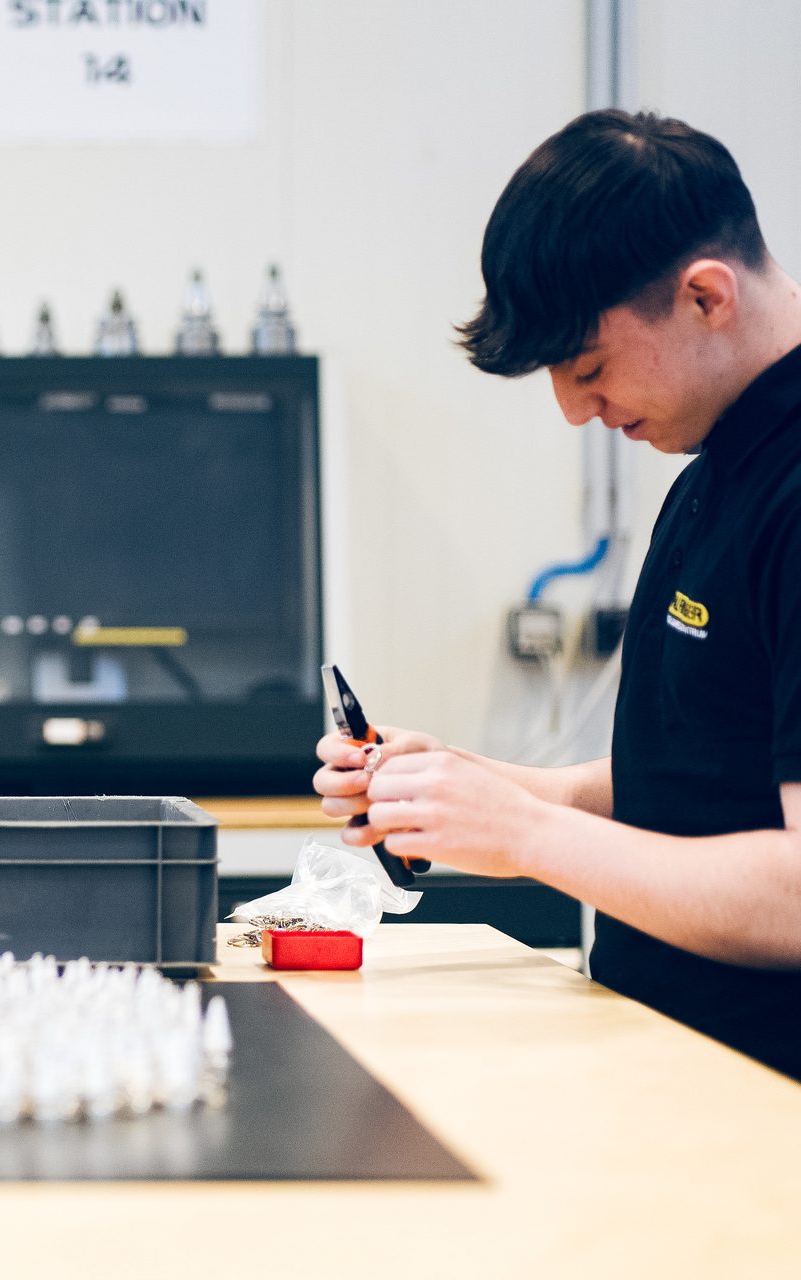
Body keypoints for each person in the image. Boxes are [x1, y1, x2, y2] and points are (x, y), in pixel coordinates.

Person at [315, 109, 801, 1078]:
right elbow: (702, 781)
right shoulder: (717, 467)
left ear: (707, 296)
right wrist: (466, 788)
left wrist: (531, 834)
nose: (576, 409)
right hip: (673, 1064)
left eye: (589, 368)